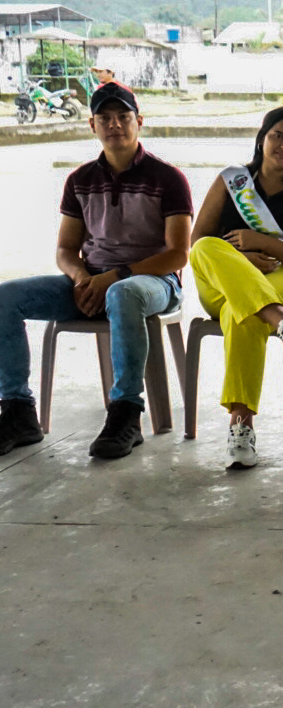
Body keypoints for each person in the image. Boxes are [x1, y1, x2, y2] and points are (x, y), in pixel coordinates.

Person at [0, 83, 192, 459]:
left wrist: (114, 277)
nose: (114, 124)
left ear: (139, 122)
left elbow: (177, 255)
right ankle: (18, 411)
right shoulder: (80, 180)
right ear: (92, 125)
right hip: (93, 279)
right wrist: (82, 278)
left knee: (123, 293)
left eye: (123, 117)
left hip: (155, 282)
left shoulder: (168, 178)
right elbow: (65, 250)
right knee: (6, 297)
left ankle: (126, 413)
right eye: (104, 118)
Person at [189, 107, 283, 469]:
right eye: (277, 136)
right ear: (261, 138)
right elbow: (197, 243)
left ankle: (240, 427)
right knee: (206, 249)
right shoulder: (231, 181)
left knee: (241, 313)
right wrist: (244, 259)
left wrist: (264, 243)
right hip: (223, 282)